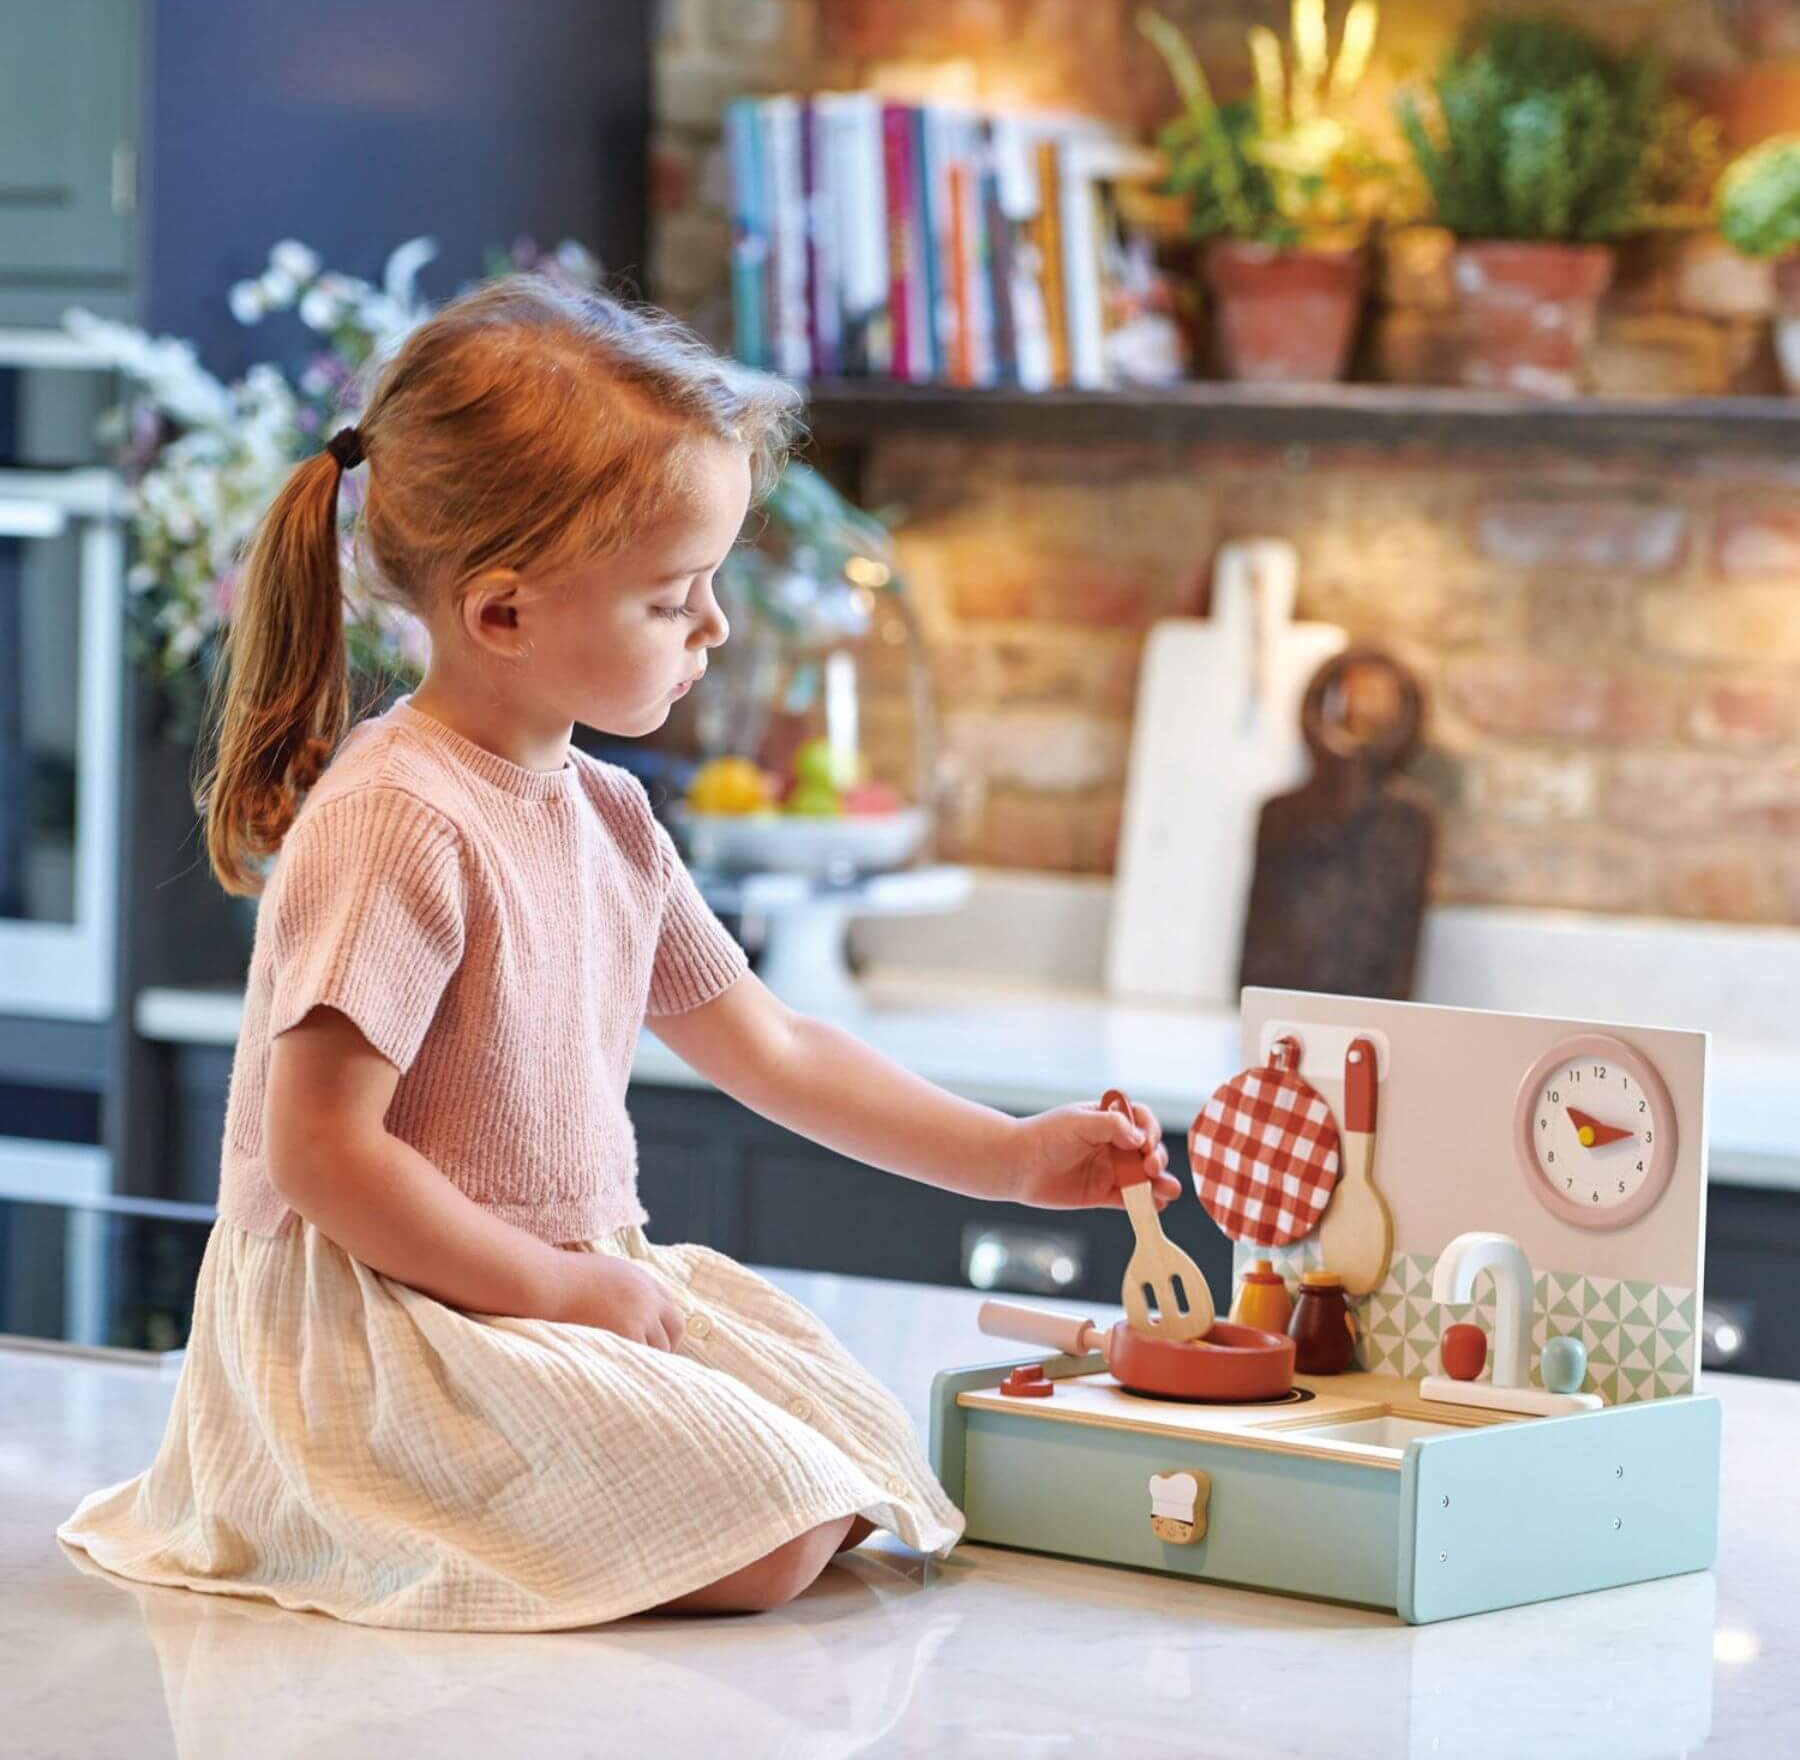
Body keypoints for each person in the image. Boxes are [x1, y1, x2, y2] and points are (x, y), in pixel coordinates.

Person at [56, 273, 1180, 1631]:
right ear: (505, 613)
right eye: (673, 596)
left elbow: (769, 1045)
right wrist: (555, 1287)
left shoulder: (608, 813)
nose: (712, 627)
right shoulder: (396, 820)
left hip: (545, 1286)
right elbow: (321, 1157)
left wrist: (1005, 1155)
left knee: (844, 1469)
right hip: (385, 1318)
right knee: (772, 1536)